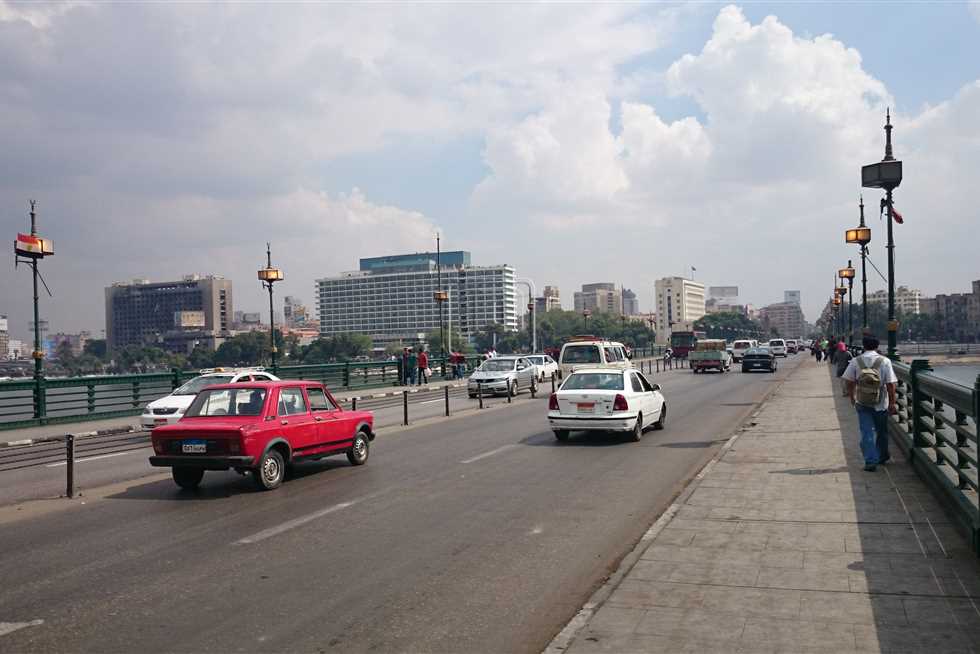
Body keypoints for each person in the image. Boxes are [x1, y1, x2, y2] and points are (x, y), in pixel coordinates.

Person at [842, 334, 898, 472]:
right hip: (881, 403)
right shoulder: (885, 361)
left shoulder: (856, 361)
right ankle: (883, 456)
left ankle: (870, 461)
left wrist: (852, 397)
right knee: (882, 431)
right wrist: (892, 403)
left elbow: (849, 381)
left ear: (864, 346)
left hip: (862, 402)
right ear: (877, 346)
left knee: (866, 432)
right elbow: (891, 385)